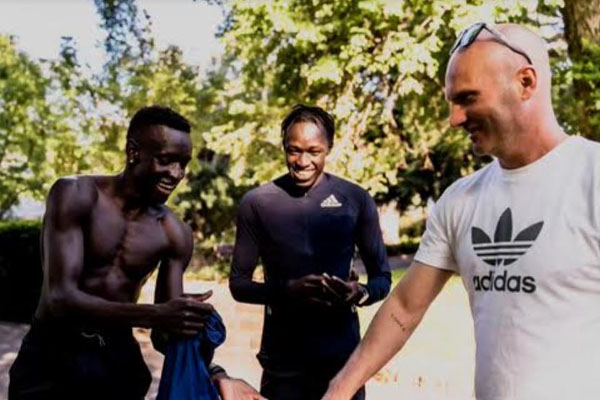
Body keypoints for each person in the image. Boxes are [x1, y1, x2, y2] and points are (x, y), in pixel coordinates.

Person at [322, 23, 600, 400]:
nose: (454, 119)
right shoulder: (460, 200)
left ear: (526, 83)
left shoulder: (591, 178)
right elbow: (404, 307)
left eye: (467, 98)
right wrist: (340, 389)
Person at [9, 106, 264, 400]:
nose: (177, 174)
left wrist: (213, 364)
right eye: (166, 160)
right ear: (133, 152)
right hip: (51, 357)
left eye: (183, 164)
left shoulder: (174, 233)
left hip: (117, 365)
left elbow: (163, 336)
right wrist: (157, 314)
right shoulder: (76, 194)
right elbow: (60, 298)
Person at [229, 104, 392, 400]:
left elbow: (382, 278)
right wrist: (289, 290)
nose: (303, 161)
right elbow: (238, 285)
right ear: (283, 148)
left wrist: (359, 293)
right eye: (294, 150)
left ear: (328, 148)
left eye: (313, 151)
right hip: (283, 364)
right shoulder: (257, 203)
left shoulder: (355, 199)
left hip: (343, 362)